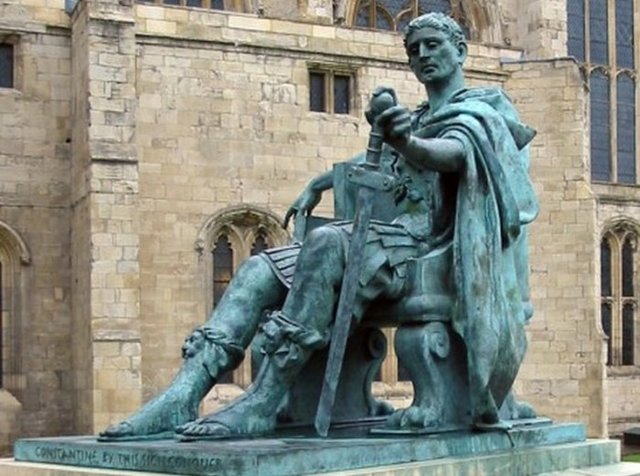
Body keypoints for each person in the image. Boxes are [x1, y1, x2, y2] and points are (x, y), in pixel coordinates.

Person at [101, 11, 538, 441]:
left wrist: (407, 141)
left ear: (460, 51)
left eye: (433, 45)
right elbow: (381, 162)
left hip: (431, 247)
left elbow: (454, 155)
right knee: (258, 269)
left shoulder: (481, 112)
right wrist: (321, 182)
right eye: (414, 49)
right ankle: (182, 395)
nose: (422, 55)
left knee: (328, 241)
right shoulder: (420, 116)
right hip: (390, 243)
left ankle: (264, 399)